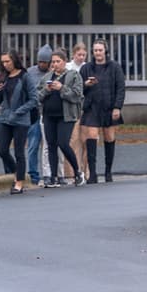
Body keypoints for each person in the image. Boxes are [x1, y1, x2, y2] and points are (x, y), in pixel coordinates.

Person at [79, 40, 126, 183]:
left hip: (109, 107)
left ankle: (108, 171)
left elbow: (120, 88)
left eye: (100, 50)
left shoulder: (114, 67)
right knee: (91, 136)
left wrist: (117, 107)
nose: (98, 53)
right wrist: (86, 84)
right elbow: (78, 88)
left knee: (109, 137)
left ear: (105, 51)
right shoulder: (86, 68)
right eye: (95, 50)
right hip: (92, 106)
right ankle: (92, 173)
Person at [38, 49, 84, 188]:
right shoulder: (46, 77)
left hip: (66, 115)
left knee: (63, 143)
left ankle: (77, 172)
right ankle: (53, 177)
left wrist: (61, 88)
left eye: (58, 61)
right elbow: (38, 95)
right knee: (51, 145)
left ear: (65, 62)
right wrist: (47, 90)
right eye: (53, 62)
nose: (55, 64)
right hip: (49, 115)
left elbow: (77, 95)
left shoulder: (74, 75)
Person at [0, 50, 36, 194]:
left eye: (8, 61)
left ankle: (19, 182)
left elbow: (34, 100)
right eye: (3, 62)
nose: (5, 65)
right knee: (2, 150)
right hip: (5, 118)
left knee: (19, 152)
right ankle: (17, 173)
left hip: (21, 120)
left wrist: (19, 111)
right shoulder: (3, 76)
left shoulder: (25, 76)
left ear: (14, 60)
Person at [25, 45, 52, 187]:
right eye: (40, 61)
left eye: (45, 62)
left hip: (48, 113)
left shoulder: (53, 72)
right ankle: (33, 174)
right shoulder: (30, 72)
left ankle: (50, 174)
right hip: (35, 114)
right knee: (33, 145)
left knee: (49, 147)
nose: (42, 64)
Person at [67, 42, 90, 181]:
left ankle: (86, 171)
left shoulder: (87, 67)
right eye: (78, 54)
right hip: (73, 107)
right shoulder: (69, 67)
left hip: (86, 107)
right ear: (73, 54)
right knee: (73, 140)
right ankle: (72, 172)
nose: (81, 57)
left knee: (86, 140)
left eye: (83, 55)